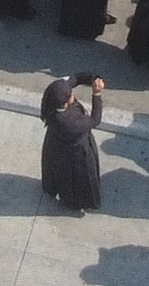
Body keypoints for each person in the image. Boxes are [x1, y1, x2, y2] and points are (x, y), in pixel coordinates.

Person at [40, 72, 106, 211]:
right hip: (76, 156)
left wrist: (92, 77)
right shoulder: (69, 123)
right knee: (78, 180)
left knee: (58, 173)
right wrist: (96, 94)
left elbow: (74, 79)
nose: (73, 95)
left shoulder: (55, 94)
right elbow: (95, 120)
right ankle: (77, 202)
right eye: (70, 96)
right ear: (64, 104)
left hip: (56, 147)